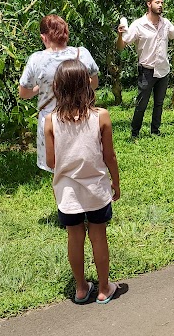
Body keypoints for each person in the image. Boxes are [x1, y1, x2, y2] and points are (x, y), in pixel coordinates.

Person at [45, 59, 120, 305]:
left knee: (74, 237)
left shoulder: (51, 121)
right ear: (88, 84)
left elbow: (51, 161)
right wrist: (116, 183)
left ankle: (80, 288)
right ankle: (104, 288)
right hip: (97, 189)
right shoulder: (102, 116)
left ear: (58, 87)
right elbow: (109, 156)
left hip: (67, 193)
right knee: (99, 236)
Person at [19, 15, 99, 172]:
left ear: (43, 37)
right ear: (66, 33)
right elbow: (94, 84)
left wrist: (40, 88)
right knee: (82, 166)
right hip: (81, 118)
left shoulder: (36, 59)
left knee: (57, 170)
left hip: (52, 122)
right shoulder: (82, 54)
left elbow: (24, 93)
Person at [118, 0, 174, 139]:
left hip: (163, 70)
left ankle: (155, 131)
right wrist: (119, 35)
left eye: (162, 2)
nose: (160, 5)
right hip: (146, 71)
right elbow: (122, 45)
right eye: (157, 2)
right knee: (141, 105)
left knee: (159, 104)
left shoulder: (165, 23)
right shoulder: (138, 25)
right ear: (149, 4)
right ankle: (134, 134)